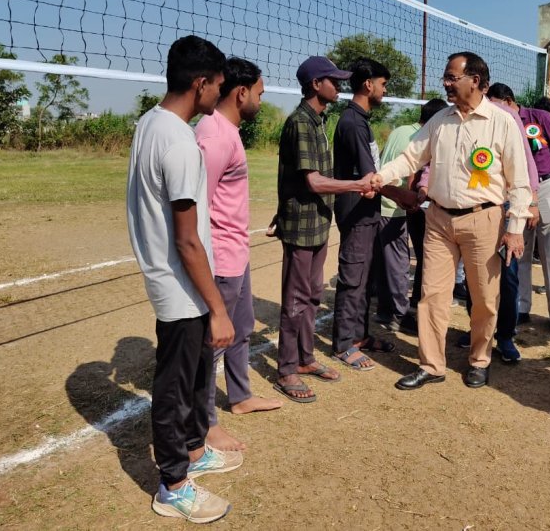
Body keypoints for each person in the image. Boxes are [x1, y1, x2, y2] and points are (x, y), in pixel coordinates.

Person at [127, 36, 242, 523]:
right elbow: (188, 240)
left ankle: (195, 450)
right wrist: (218, 308)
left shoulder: (151, 123)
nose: (220, 96)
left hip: (185, 285)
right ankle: (173, 483)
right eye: (218, 86)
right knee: (173, 390)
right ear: (200, 84)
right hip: (179, 288)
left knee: (195, 377)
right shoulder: (177, 141)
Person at [372, 52, 531, 390]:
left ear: (475, 80)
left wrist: (515, 228)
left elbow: (519, 183)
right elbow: (410, 158)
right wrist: (378, 177)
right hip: (439, 220)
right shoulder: (440, 120)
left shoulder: (502, 122)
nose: (445, 83)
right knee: (431, 294)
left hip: (484, 219)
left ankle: (479, 360)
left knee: (485, 298)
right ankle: (431, 365)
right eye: (446, 77)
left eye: (451, 77)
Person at [194, 57, 283, 453]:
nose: (261, 102)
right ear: (241, 92)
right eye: (260, 93)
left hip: (237, 253)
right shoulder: (213, 135)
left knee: (242, 328)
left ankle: (241, 396)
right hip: (221, 260)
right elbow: (198, 204)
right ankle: (206, 424)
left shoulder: (228, 132)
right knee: (212, 343)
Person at [273, 56, 373, 403]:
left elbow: (295, 178)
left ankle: (305, 358)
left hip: (317, 224)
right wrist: (356, 185)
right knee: (296, 300)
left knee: (313, 295)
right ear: (316, 84)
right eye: (334, 80)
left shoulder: (318, 121)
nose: (340, 85)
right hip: (301, 227)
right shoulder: (300, 122)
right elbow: (312, 182)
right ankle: (286, 367)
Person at [331, 58, 409, 370]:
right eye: (383, 83)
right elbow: (368, 178)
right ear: (368, 84)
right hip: (356, 212)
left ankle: (360, 336)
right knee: (352, 278)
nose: (384, 89)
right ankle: (343, 344)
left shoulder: (361, 120)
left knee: (364, 279)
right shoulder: (351, 122)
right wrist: (400, 193)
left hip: (369, 211)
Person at [460, 83, 540, 363]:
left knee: (507, 274)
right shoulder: (458, 115)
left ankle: (505, 335)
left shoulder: (506, 115)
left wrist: (531, 202)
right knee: (475, 273)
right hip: (472, 207)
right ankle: (477, 329)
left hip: (506, 205)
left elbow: (527, 162)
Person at [488, 85, 550, 331]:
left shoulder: (540, 118)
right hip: (515, 192)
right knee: (519, 252)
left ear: (508, 101)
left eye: (495, 103)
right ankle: (522, 307)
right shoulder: (496, 124)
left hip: (547, 187)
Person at [375, 98, 449, 335]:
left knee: (389, 261)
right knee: (399, 264)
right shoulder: (420, 138)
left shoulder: (401, 130)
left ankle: (388, 308)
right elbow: (408, 174)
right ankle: (398, 315)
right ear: (434, 121)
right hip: (396, 205)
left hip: (385, 202)